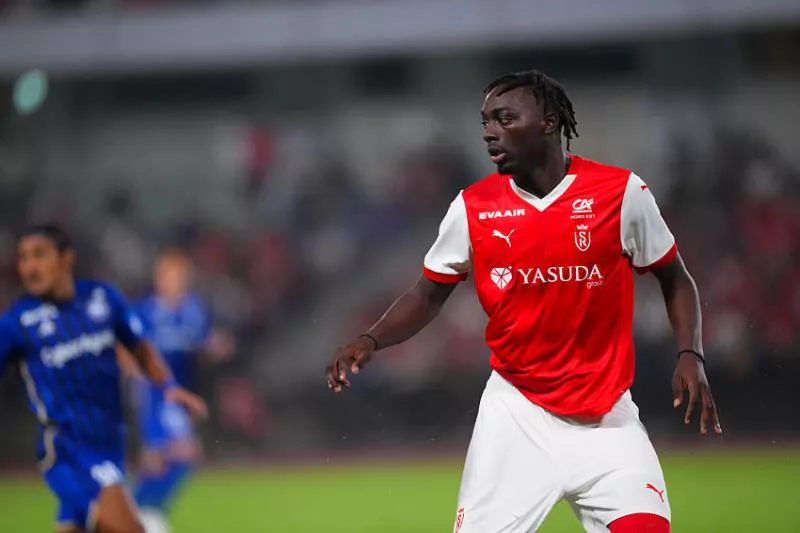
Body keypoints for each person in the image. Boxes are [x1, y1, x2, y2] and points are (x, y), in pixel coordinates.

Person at [325, 70, 721, 533]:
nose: (490, 131)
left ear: (549, 122)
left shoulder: (621, 193)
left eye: (504, 118)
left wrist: (690, 353)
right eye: (485, 121)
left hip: (607, 419)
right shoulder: (473, 208)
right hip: (517, 417)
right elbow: (427, 293)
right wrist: (371, 338)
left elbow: (675, 278)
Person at [0, 225, 207, 533]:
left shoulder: (102, 299)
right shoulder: (17, 324)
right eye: (23, 258)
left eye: (39, 255)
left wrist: (168, 386)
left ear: (66, 258)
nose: (30, 266)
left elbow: (140, 347)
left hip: (111, 446)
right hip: (69, 451)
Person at [117, 247, 233, 530]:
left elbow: (202, 340)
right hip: (154, 393)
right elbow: (124, 346)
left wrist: (216, 346)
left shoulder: (193, 308)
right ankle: (140, 512)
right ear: (159, 277)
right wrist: (132, 364)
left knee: (166, 459)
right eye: (170, 274)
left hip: (180, 392)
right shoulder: (146, 309)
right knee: (178, 453)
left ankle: (139, 510)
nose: (175, 280)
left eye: (180, 275)